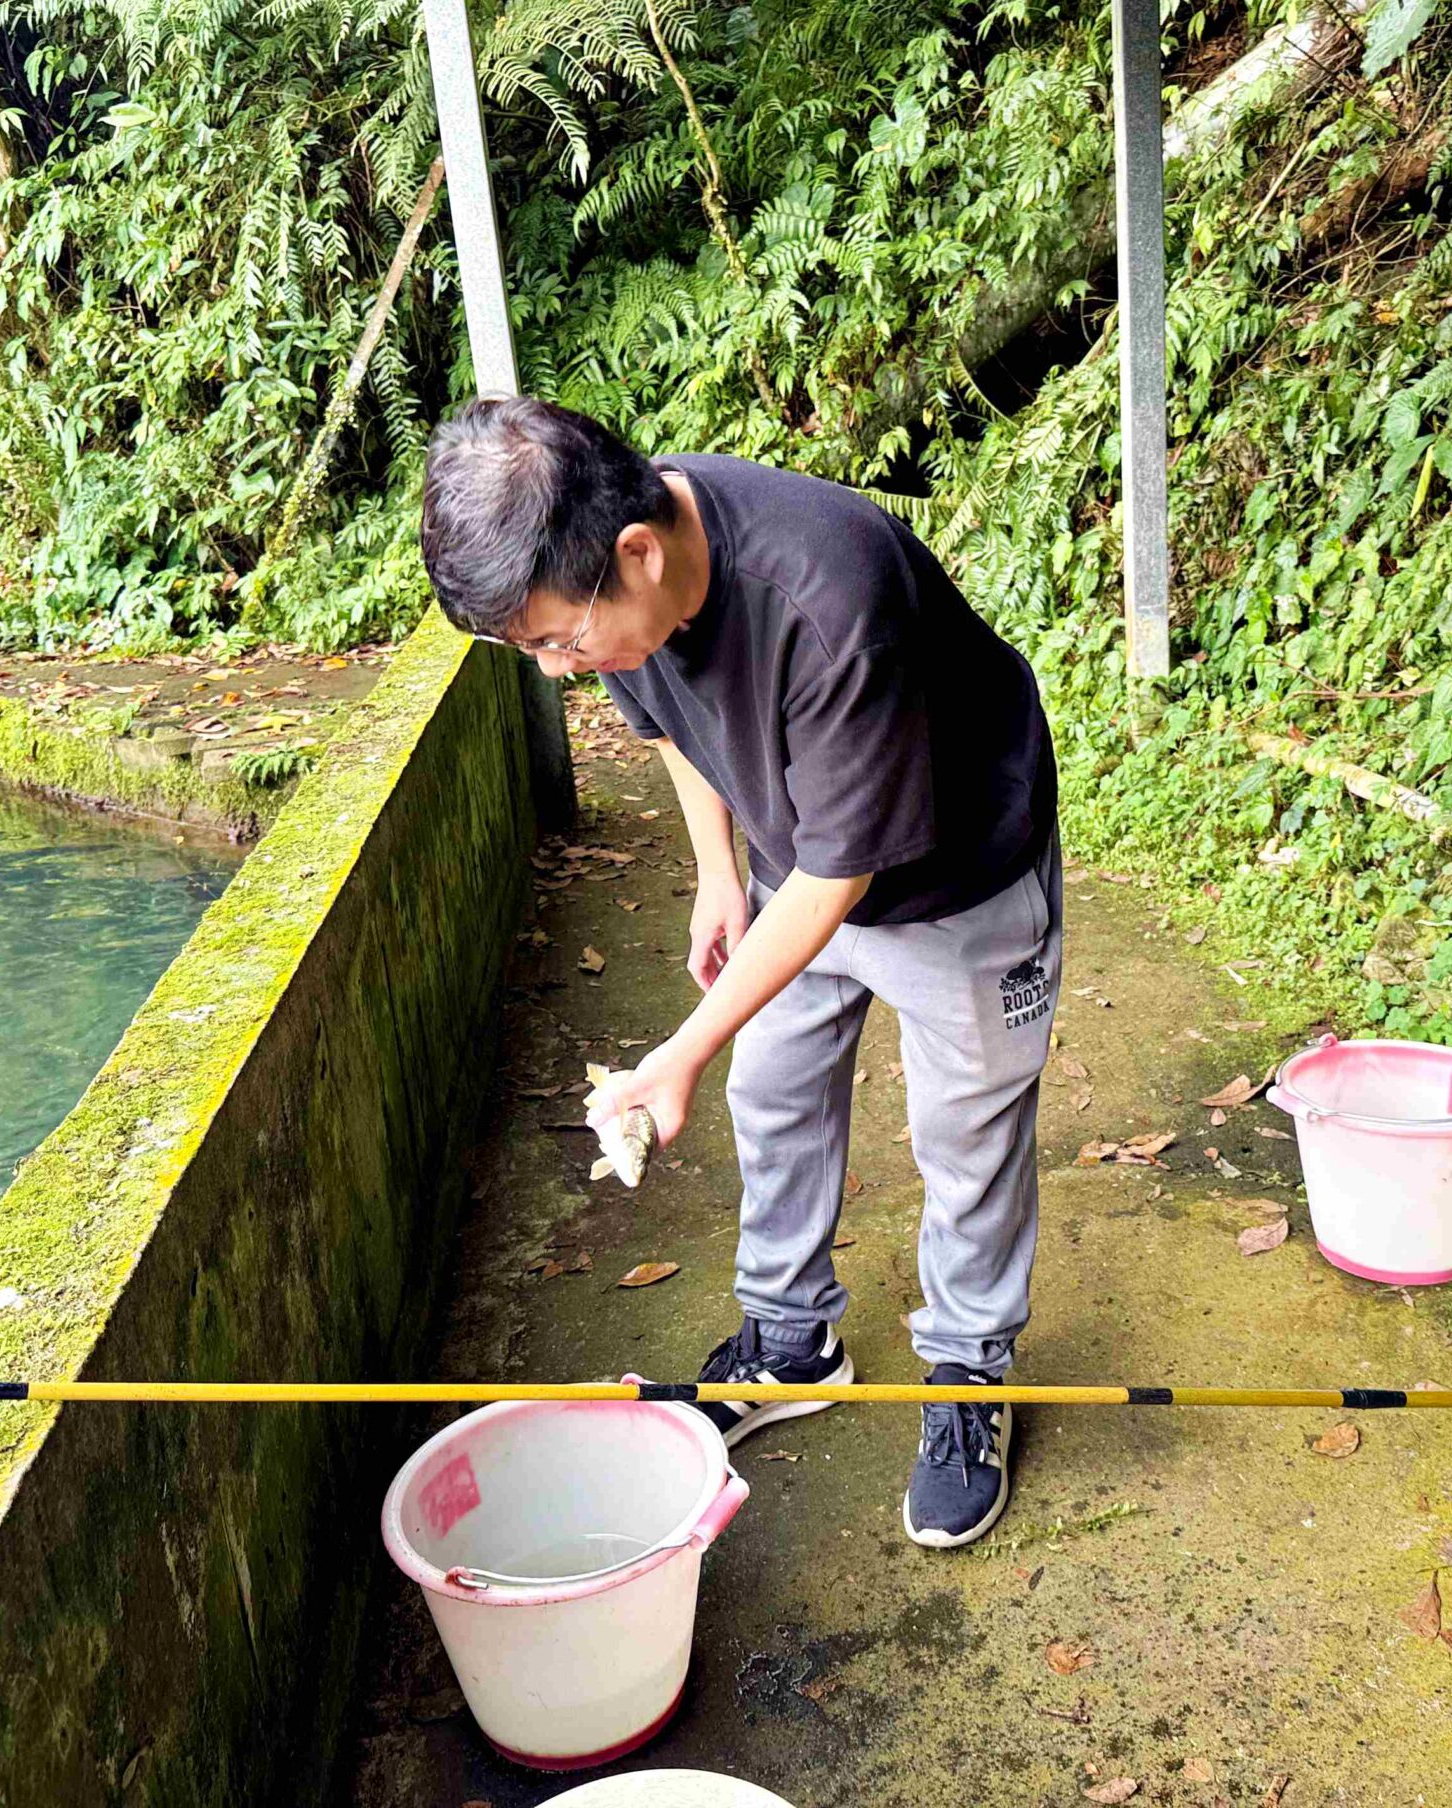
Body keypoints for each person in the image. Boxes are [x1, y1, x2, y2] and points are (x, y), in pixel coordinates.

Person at [419, 395, 1061, 1548]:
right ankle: (791, 1341)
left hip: (958, 873)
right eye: (534, 651)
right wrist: (718, 870)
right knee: (771, 1094)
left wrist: (676, 1053)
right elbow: (666, 726)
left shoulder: (829, 593)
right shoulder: (617, 585)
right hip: (797, 860)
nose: (561, 670)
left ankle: (969, 1370)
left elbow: (835, 886)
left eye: (557, 641)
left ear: (637, 555)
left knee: (965, 1135)